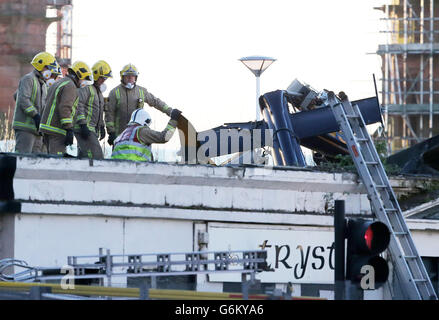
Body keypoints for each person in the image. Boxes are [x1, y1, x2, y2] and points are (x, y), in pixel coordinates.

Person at [105, 63, 179, 146]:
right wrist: (111, 132)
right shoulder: (114, 92)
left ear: (136, 77)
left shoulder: (141, 91)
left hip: (138, 136)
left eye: (132, 76)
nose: (130, 78)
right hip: (120, 136)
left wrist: (170, 111)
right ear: (122, 77)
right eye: (127, 76)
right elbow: (109, 113)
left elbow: (155, 102)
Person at [40, 61, 93, 155]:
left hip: (47, 128)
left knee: (48, 160)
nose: (84, 81)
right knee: (56, 162)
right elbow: (65, 107)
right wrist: (69, 129)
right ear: (80, 75)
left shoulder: (60, 82)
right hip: (57, 130)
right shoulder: (70, 86)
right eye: (85, 78)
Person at [12, 51, 58, 153]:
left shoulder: (42, 83)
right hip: (25, 127)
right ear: (41, 66)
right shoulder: (28, 79)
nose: (50, 71)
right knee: (23, 159)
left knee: (35, 162)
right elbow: (23, 99)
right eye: (49, 68)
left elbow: (16, 95)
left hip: (37, 129)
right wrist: (35, 115)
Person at [74, 60, 112, 159]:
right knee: (97, 157)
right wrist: (83, 124)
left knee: (85, 158)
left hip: (91, 129)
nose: (104, 81)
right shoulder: (86, 88)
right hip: (85, 128)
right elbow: (79, 105)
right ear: (96, 75)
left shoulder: (98, 92)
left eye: (105, 78)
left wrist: (102, 127)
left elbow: (99, 111)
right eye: (102, 78)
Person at [111, 108, 182, 162]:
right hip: (135, 172)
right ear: (146, 122)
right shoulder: (142, 131)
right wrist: (174, 119)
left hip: (118, 172)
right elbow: (164, 137)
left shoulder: (120, 136)